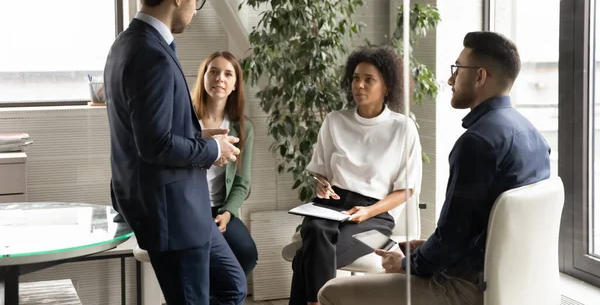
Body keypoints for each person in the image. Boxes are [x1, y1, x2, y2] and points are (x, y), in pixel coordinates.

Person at [317, 31, 551, 305]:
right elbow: (484, 228)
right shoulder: (533, 136)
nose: (451, 79)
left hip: (465, 286)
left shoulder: (477, 143)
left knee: (330, 293)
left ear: (479, 77)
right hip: (514, 284)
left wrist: (405, 265)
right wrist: (426, 246)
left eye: (457, 69)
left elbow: (452, 241)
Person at [104, 0, 246, 305]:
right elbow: (154, 144)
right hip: (173, 213)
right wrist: (213, 150)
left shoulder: (126, 43)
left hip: (184, 209)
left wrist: (197, 136)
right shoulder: (150, 53)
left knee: (232, 284)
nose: (195, 10)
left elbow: (150, 127)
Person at [289, 46, 423, 305]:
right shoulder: (334, 121)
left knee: (304, 259)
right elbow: (320, 174)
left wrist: (368, 212)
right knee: (316, 229)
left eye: (368, 79)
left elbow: (405, 189)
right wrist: (321, 185)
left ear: (387, 86)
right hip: (331, 206)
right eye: (355, 78)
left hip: (375, 217)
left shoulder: (403, 128)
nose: (359, 85)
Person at [190, 51, 258, 276]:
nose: (220, 78)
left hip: (220, 209)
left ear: (235, 85)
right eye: (214, 72)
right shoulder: (186, 121)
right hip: (189, 208)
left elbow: (242, 182)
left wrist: (228, 213)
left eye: (228, 74)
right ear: (204, 78)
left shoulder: (243, 128)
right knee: (199, 257)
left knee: (246, 253)